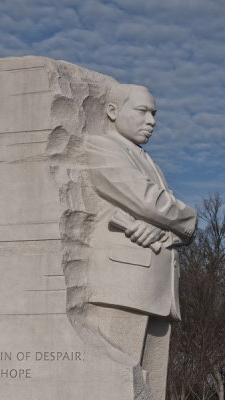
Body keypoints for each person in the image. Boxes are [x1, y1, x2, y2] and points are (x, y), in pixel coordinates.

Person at [67, 83, 197, 399]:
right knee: (116, 385)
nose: (151, 121)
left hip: (157, 289)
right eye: (142, 111)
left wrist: (165, 231)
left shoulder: (146, 160)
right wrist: (189, 217)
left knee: (150, 388)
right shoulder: (101, 147)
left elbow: (160, 217)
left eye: (154, 114)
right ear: (112, 111)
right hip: (122, 286)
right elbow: (150, 202)